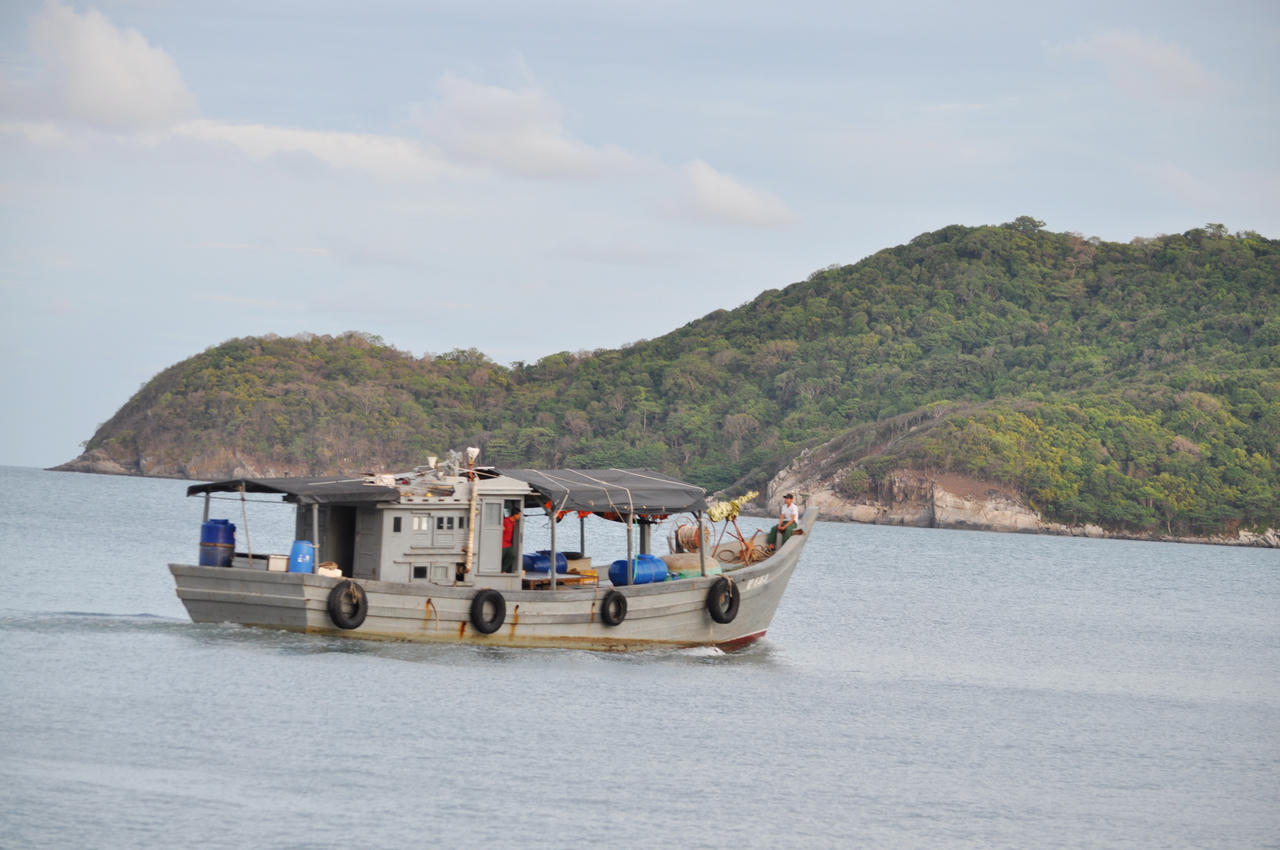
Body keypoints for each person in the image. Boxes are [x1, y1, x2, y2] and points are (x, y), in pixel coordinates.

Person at [501, 508, 522, 573]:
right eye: (519, 515)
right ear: (515, 515)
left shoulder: (515, 523)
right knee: (500, 557)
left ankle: (503, 570)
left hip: (508, 544)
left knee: (512, 555)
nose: (520, 516)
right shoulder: (506, 521)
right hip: (502, 543)